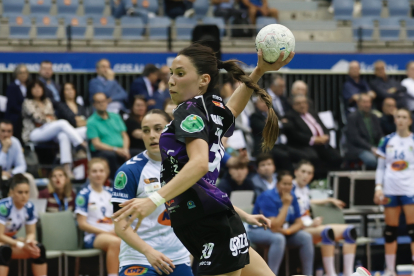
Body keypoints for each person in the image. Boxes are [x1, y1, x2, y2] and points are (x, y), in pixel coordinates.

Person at [112, 44, 294, 276]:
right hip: (217, 220)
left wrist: (153, 200)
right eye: (171, 73)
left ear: (203, 80)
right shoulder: (210, 107)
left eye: (180, 74)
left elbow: (198, 164)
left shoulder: (189, 111)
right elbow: (233, 110)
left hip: (208, 225)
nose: (171, 81)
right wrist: (258, 72)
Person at [112, 109, 193, 276]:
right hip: (139, 259)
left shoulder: (185, 166)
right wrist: (148, 252)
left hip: (177, 259)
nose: (152, 135)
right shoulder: (129, 171)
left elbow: (204, 203)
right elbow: (120, 227)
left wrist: (245, 216)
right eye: (146, 130)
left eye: (158, 128)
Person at [293, 160, 357, 276]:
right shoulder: (289, 188)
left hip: (310, 225)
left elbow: (308, 202)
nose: (306, 175)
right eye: (303, 172)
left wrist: (329, 199)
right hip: (298, 228)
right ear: (296, 172)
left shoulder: (305, 189)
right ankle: (330, 273)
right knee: (327, 232)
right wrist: (309, 224)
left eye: (309, 173)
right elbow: (289, 213)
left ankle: (348, 273)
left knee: (350, 231)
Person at [248, 171, 314, 275]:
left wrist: (288, 231)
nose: (288, 187)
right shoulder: (267, 196)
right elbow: (273, 226)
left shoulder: (292, 196)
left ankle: (308, 274)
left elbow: (299, 222)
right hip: (258, 230)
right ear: (277, 184)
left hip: (283, 231)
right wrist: (286, 205)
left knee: (306, 237)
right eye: (284, 184)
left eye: (290, 184)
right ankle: (271, 274)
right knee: (278, 238)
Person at [374, 108, 414, 276]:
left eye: (404, 117)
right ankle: (390, 269)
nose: (401, 120)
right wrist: (378, 187)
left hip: (409, 189)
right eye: (398, 117)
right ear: (395, 120)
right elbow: (381, 167)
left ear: (410, 121)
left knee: (413, 230)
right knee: (390, 231)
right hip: (390, 189)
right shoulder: (386, 141)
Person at [22, 80, 86, 178]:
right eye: (34, 88)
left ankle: (66, 168)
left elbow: (52, 117)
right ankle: (80, 143)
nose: (37, 90)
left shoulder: (47, 101)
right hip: (34, 132)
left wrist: (48, 118)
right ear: (30, 90)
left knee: (63, 135)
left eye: (39, 87)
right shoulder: (27, 102)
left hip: (48, 129)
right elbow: (37, 118)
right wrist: (48, 118)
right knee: (62, 123)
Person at [75, 158, 121, 276]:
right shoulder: (84, 194)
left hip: (112, 232)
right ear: (88, 174)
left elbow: (119, 217)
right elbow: (82, 224)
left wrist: (117, 230)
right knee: (116, 242)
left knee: (135, 239)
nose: (98, 174)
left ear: (106, 173)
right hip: (94, 236)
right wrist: (105, 232)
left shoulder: (111, 193)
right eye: (94, 171)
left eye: (101, 171)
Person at [284, 94, 342, 178]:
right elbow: (295, 134)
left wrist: (326, 136)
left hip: (322, 143)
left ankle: (330, 180)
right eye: (299, 103)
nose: (302, 105)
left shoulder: (312, 112)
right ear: (293, 105)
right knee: (313, 157)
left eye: (304, 102)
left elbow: (324, 127)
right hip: (304, 145)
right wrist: (313, 139)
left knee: (337, 157)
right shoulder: (290, 116)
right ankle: (316, 180)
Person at [0, 174, 47, 276]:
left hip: (11, 241)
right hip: (2, 241)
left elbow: (31, 233)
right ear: (12, 192)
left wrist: (29, 243)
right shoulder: (3, 207)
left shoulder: (29, 207)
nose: (24, 196)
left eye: (26, 192)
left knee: (38, 249)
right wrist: (20, 244)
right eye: (20, 192)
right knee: (3, 250)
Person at [87, 92, 131, 180]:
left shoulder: (116, 117)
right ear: (94, 104)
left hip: (122, 149)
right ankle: (116, 182)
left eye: (103, 101)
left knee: (140, 153)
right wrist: (116, 149)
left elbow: (125, 135)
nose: (101, 104)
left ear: (107, 102)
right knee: (110, 156)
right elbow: (96, 144)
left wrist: (125, 149)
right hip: (103, 151)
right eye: (98, 102)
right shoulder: (91, 121)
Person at [250, 97, 293, 171]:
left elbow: (288, 125)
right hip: (267, 146)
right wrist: (280, 124)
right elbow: (265, 130)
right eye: (262, 102)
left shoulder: (274, 113)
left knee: (295, 153)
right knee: (284, 155)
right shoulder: (255, 116)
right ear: (256, 104)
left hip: (281, 144)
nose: (265, 104)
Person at [0, 120, 38, 198]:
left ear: (12, 132)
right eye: (3, 131)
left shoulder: (15, 142)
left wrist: (11, 174)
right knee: (3, 178)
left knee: (29, 178)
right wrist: (4, 149)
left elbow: (22, 165)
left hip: (10, 173)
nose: (6, 134)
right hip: (1, 174)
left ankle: (33, 206)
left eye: (9, 131)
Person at [345, 93, 383, 169]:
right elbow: (355, 138)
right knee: (372, 160)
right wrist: (372, 148)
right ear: (358, 103)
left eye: (369, 102)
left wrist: (383, 146)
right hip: (359, 148)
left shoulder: (374, 117)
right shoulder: (352, 117)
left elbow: (380, 134)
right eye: (364, 102)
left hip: (374, 147)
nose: (367, 105)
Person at [4, 64, 29, 142]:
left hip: (27, 116)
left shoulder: (29, 86)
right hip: (16, 117)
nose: (23, 75)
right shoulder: (12, 86)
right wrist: (26, 112)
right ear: (16, 74)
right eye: (20, 73)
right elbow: (12, 105)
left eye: (25, 72)